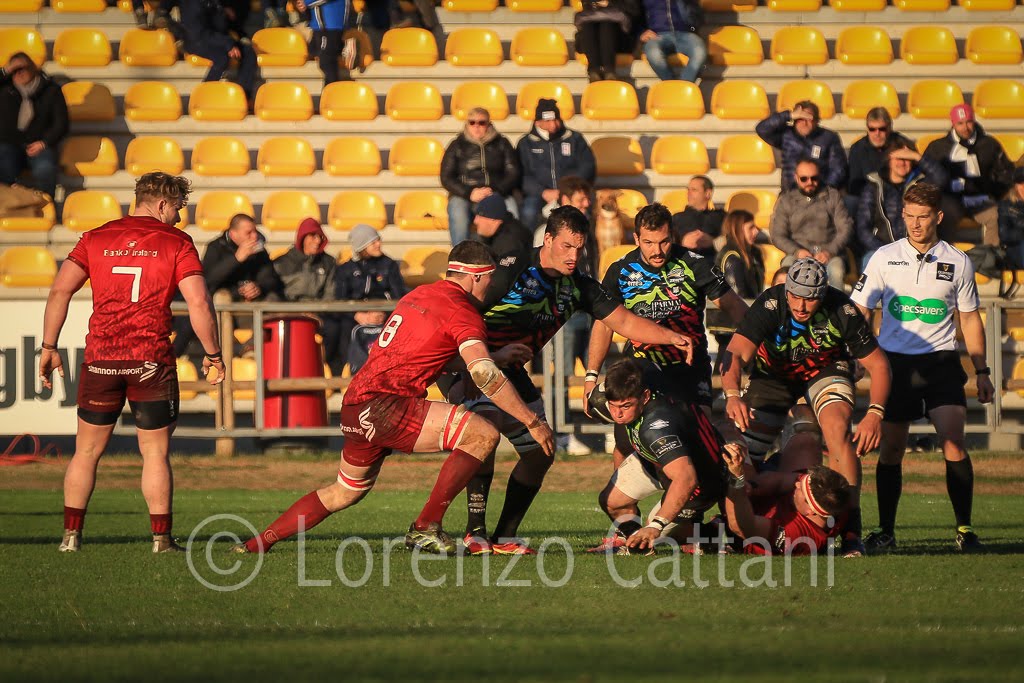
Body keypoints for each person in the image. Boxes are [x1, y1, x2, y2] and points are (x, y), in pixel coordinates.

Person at [235, 241, 555, 555]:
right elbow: (484, 374)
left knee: (344, 492)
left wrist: (494, 356)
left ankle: (256, 543)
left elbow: (429, 354)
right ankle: (425, 526)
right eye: (491, 278)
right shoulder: (462, 310)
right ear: (477, 276)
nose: (492, 286)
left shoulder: (420, 294)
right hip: (387, 404)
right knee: (482, 434)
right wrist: (532, 421)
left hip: (356, 403)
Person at [450, 206, 700, 555]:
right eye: (566, 246)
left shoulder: (578, 285)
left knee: (540, 453)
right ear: (547, 239)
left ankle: (505, 536)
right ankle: (475, 533)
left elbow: (624, 322)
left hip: (511, 370)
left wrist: (669, 336)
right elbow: (460, 310)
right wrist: (470, 363)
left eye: (579, 248)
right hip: (470, 362)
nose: (573, 256)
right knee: (486, 428)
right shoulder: (513, 268)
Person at [38, 172, 226, 554]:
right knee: (155, 453)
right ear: (162, 204)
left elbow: (59, 290)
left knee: (86, 452)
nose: (179, 217)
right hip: (150, 360)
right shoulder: (177, 242)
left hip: (102, 358)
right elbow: (199, 303)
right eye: (177, 208)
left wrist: (49, 346)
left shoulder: (95, 237)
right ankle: (161, 540)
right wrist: (214, 354)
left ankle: (70, 537)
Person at [850, 182, 994, 553]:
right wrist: (857, 358)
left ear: (938, 217)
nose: (915, 224)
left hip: (941, 362)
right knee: (892, 449)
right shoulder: (883, 257)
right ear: (902, 215)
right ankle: (886, 531)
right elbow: (860, 310)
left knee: (953, 441)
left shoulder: (958, 261)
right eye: (910, 216)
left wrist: (982, 370)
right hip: (895, 364)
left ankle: (965, 529)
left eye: (923, 217)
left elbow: (970, 318)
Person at [720, 257, 892, 557]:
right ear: (786, 290)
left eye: (810, 299)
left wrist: (875, 413)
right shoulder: (770, 304)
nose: (800, 306)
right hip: (773, 376)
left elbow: (879, 365)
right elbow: (734, 354)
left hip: (824, 370)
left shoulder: (842, 309)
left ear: (823, 295)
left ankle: (851, 533)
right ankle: (731, 526)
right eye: (795, 296)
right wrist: (733, 394)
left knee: (838, 429)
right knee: (738, 445)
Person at [586, 202, 747, 436]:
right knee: (626, 440)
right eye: (648, 243)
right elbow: (604, 324)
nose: (657, 251)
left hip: (689, 366)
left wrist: (764, 343)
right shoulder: (621, 271)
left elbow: (735, 306)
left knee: (699, 434)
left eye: (664, 242)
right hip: (642, 366)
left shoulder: (695, 264)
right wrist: (591, 376)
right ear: (636, 238)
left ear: (672, 235)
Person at [586, 358, 729, 554]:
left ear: (645, 396)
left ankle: (715, 529)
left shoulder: (657, 429)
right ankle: (638, 546)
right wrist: (593, 382)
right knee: (612, 501)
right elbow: (638, 361)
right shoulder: (641, 375)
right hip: (659, 460)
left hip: (702, 478)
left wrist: (656, 525)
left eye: (626, 406)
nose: (617, 415)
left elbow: (686, 478)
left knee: (662, 534)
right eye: (612, 405)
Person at [173, 213, 283, 361]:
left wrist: (258, 287)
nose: (254, 236)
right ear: (233, 234)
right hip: (222, 311)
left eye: (255, 231)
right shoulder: (216, 247)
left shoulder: (259, 250)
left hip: (249, 309)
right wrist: (236, 259)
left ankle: (249, 348)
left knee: (274, 301)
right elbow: (208, 281)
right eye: (249, 233)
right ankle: (227, 351)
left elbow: (272, 279)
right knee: (221, 297)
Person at [720, 437, 851, 555]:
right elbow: (780, 481)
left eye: (801, 489)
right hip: (759, 496)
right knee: (806, 440)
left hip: (741, 516)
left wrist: (736, 479)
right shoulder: (829, 494)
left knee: (728, 440)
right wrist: (752, 486)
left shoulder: (796, 534)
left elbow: (740, 526)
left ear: (810, 510)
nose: (797, 484)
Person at [924, 104, 1014, 243]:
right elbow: (927, 177)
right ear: (953, 123)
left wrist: (992, 191)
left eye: (969, 122)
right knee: (943, 216)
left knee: (996, 215)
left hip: (981, 199)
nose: (965, 128)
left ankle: (991, 254)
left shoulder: (989, 144)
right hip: (950, 200)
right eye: (960, 123)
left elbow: (1005, 173)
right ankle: (944, 254)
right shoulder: (938, 147)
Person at [856, 139, 949, 267]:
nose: (902, 163)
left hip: (915, 250)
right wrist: (886, 250)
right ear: (889, 160)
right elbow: (863, 228)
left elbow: (941, 178)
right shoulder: (874, 187)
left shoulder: (920, 185)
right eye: (899, 158)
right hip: (880, 248)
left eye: (907, 159)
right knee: (869, 261)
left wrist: (917, 156)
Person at [331, 223, 407, 375]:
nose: (378, 244)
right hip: (355, 317)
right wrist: (358, 315)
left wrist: (384, 312)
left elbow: (399, 297)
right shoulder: (345, 270)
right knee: (341, 327)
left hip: (385, 314)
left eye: (378, 240)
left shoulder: (389, 265)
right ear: (362, 246)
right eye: (373, 242)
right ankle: (346, 372)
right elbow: (340, 300)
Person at [440, 107, 520, 246]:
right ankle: (460, 254)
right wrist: (469, 193)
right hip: (464, 195)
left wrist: (495, 190)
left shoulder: (502, 143)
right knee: (457, 212)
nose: (476, 126)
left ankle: (510, 252)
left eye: (481, 122)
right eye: (472, 122)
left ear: (489, 124)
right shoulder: (456, 145)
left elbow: (513, 172)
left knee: (511, 210)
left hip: (496, 192)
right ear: (467, 124)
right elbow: (446, 177)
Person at [770, 158, 853, 289]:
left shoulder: (832, 196)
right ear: (796, 178)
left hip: (830, 255)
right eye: (804, 179)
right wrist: (796, 251)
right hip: (797, 255)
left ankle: (837, 303)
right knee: (786, 271)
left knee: (836, 272)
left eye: (814, 178)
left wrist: (829, 252)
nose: (810, 182)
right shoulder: (786, 200)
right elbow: (777, 235)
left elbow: (845, 228)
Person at [517, 98, 596, 231]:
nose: (553, 124)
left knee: (585, 207)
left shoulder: (575, 139)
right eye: (548, 121)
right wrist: (542, 192)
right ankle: (528, 244)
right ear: (538, 122)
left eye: (556, 119)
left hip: (571, 192)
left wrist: (567, 189)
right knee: (528, 212)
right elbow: (521, 175)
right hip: (539, 194)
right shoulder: (526, 143)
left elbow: (587, 166)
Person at [0, 53, 67, 200]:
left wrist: (44, 143)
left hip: (39, 144)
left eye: (22, 68)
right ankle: (6, 206)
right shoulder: (5, 87)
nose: (19, 73)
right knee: (3, 167)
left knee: (45, 169)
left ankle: (46, 206)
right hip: (9, 144)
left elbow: (61, 123)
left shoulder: (51, 90)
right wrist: (5, 70)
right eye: (14, 70)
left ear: (32, 68)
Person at [274, 217, 339, 365]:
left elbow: (330, 294)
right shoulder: (282, 263)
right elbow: (277, 294)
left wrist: (317, 312)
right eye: (313, 236)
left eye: (320, 236)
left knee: (334, 328)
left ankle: (326, 368)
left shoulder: (328, 262)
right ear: (302, 237)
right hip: (288, 313)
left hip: (319, 313)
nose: (317, 241)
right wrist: (297, 312)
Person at [711, 209, 765, 370]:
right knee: (727, 365)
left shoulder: (752, 253)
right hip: (730, 322)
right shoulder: (731, 257)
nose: (756, 232)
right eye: (751, 227)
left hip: (743, 319)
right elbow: (736, 296)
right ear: (737, 229)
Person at [756, 101, 848, 192]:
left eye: (809, 118)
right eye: (800, 118)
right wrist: (789, 115)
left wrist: (824, 191)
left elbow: (838, 169)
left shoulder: (829, 137)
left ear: (816, 121)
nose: (804, 123)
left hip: (820, 193)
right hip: (790, 193)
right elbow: (762, 129)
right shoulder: (786, 135)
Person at [180, 0, 259, 102]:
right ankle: (203, 97)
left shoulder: (217, 3)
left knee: (248, 51)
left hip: (217, 39)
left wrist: (222, 12)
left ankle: (244, 97)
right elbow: (199, 33)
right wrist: (228, 43)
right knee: (221, 57)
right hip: (197, 42)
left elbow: (219, 24)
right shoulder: (192, 4)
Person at [846, 107, 912, 215]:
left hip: (899, 196)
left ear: (889, 128)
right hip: (869, 198)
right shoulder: (857, 149)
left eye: (882, 129)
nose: (877, 133)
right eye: (872, 129)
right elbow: (855, 185)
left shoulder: (902, 144)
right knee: (851, 201)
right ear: (867, 129)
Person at [636, 0, 706, 83]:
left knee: (699, 51)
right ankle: (671, 85)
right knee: (653, 54)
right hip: (657, 35)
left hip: (686, 34)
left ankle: (682, 85)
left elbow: (698, 17)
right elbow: (635, 16)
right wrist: (641, 32)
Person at [574, 0, 640, 82]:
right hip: (591, 29)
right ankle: (594, 71)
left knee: (607, 25)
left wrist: (611, 3)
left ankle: (609, 70)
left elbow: (634, 9)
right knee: (588, 25)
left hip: (619, 37)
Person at [294, 0, 355, 85]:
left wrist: (306, 2)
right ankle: (345, 47)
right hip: (319, 27)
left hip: (330, 25)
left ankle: (332, 90)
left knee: (326, 61)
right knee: (313, 51)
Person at [670, 175, 724, 258]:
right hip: (684, 261)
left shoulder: (721, 217)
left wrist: (714, 242)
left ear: (708, 193)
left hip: (713, 261)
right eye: (688, 190)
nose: (689, 193)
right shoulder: (677, 218)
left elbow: (735, 241)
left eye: (694, 190)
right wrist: (682, 243)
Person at [997, 166, 1024, 269]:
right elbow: (1004, 236)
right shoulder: (1006, 206)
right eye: (1020, 183)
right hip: (1017, 248)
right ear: (1015, 186)